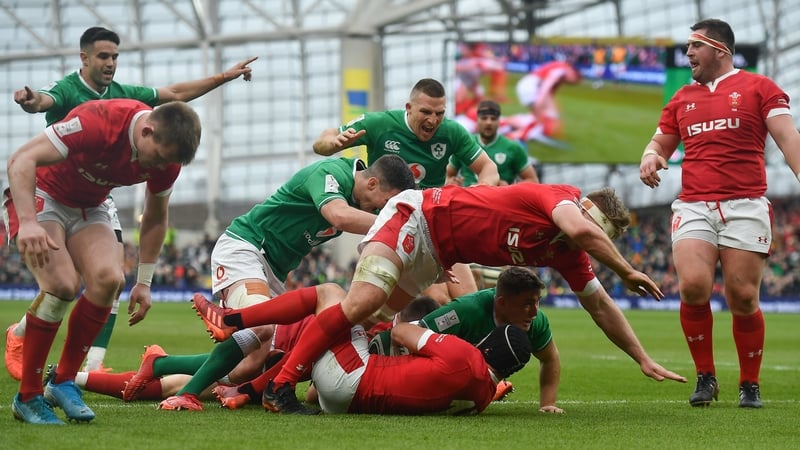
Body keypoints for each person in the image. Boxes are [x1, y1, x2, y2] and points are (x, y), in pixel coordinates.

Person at [194, 182, 688, 414]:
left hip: (439, 254)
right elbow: (578, 228)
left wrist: (642, 357)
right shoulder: (557, 198)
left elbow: (599, 306)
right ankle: (269, 370)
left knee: (365, 327)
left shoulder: (566, 254)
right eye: (585, 235)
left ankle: (248, 381)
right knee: (357, 305)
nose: (574, 244)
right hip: (417, 215)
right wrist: (625, 268)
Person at [5, 25, 256, 380]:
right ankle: (21, 336)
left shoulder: (130, 97)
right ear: (85, 58)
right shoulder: (72, 92)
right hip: (53, 189)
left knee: (108, 279)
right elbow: (46, 100)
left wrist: (223, 77)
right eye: (104, 56)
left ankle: (86, 368)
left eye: (115, 57)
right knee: (62, 285)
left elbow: (176, 94)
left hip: (99, 194)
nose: (110, 63)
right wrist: (34, 102)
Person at [124, 155, 415, 410]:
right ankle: (186, 393)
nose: (383, 213)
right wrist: (395, 224)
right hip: (246, 246)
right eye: (385, 205)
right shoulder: (331, 174)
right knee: (259, 327)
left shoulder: (358, 201)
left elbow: (368, 244)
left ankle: (160, 364)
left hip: (272, 271)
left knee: (248, 366)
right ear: (373, 184)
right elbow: (338, 217)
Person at [3, 98, 202, 424]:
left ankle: (64, 382)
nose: (158, 167)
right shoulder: (98, 122)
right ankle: (27, 397)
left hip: (90, 205)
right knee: (61, 284)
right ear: (148, 131)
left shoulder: (168, 159)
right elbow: (22, 159)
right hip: (41, 192)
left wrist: (144, 282)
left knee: (110, 280)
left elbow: (154, 217)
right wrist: (27, 222)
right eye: (158, 157)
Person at [638, 19, 800, 409]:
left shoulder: (760, 88)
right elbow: (661, 140)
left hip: (745, 205)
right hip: (694, 203)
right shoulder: (681, 98)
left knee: (742, 297)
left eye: (695, 46)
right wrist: (650, 154)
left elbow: (787, 137)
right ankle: (706, 377)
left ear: (720, 50)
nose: (688, 54)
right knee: (693, 286)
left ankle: (750, 383)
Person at [313, 77, 500, 304]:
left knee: (469, 299)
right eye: (426, 112)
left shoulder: (451, 132)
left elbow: (488, 167)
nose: (433, 120)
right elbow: (322, 141)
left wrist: (482, 188)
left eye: (439, 113)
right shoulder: (380, 124)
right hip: (389, 227)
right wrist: (332, 143)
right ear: (409, 108)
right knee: (433, 299)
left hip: (434, 223)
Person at [369, 266, 563, 413]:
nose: (536, 311)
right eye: (528, 304)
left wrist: (548, 404)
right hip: (389, 344)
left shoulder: (535, 321)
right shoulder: (465, 312)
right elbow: (413, 334)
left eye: (537, 301)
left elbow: (550, 358)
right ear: (502, 303)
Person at [447, 100, 539, 186]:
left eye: (493, 118)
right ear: (477, 120)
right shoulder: (464, 144)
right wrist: (451, 182)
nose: (488, 122)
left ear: (499, 121)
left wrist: (511, 188)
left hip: (499, 200)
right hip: (467, 199)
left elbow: (533, 180)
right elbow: (447, 175)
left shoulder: (513, 147)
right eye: (484, 118)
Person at [505, 60, 581, 145]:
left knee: (541, 122)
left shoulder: (560, 71)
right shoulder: (561, 70)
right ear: (572, 71)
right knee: (539, 124)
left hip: (530, 87)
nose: (570, 82)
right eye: (573, 79)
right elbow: (546, 86)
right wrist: (540, 102)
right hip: (531, 88)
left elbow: (550, 93)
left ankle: (509, 125)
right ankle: (511, 132)